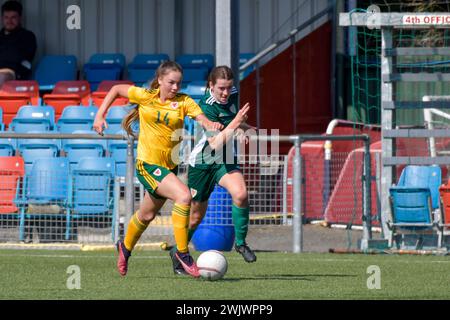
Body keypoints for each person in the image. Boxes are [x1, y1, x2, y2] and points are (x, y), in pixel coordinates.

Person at [93, 61, 230, 278]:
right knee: (184, 196)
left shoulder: (183, 102)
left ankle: (125, 247)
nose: (175, 87)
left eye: (179, 83)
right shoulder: (145, 96)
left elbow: (200, 117)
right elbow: (116, 90)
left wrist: (209, 124)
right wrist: (99, 115)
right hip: (147, 164)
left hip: (168, 168)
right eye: (171, 82)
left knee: (146, 215)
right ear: (160, 80)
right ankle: (182, 254)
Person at [170, 65, 256, 275]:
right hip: (202, 162)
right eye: (221, 89)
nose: (226, 93)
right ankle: (178, 252)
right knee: (196, 217)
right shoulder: (205, 106)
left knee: (241, 193)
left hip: (224, 160)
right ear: (210, 86)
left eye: (229, 87)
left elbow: (230, 125)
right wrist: (237, 123)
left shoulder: (233, 95)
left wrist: (246, 129)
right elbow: (215, 143)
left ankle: (241, 243)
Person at [0, 1, 37, 84]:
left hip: (13, 72)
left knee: (1, 77)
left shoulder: (27, 36)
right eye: (6, 17)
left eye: (13, 17)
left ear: (20, 18)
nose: (9, 21)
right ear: (2, 18)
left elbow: (19, 57)